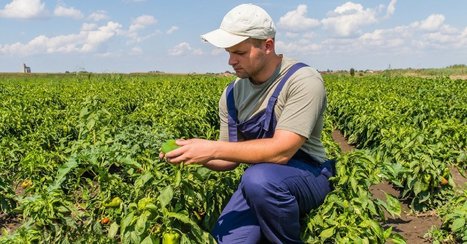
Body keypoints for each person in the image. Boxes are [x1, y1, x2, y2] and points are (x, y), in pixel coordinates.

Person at [161, 3, 335, 243]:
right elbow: (228, 158)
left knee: (259, 179)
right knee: (227, 238)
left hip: (308, 173)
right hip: (260, 180)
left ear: (267, 45)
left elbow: (283, 151)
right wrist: (190, 153)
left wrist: (211, 148)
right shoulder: (232, 94)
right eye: (228, 52)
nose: (231, 61)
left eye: (240, 53)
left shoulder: (302, 80)